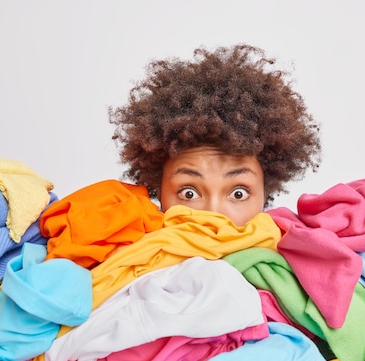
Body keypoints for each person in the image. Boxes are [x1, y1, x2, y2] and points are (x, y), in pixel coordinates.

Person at [109, 44, 322, 226]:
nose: (213, 216)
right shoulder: (123, 266)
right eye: (188, 194)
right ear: (159, 192)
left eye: (239, 193)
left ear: (265, 193)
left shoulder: (298, 263)